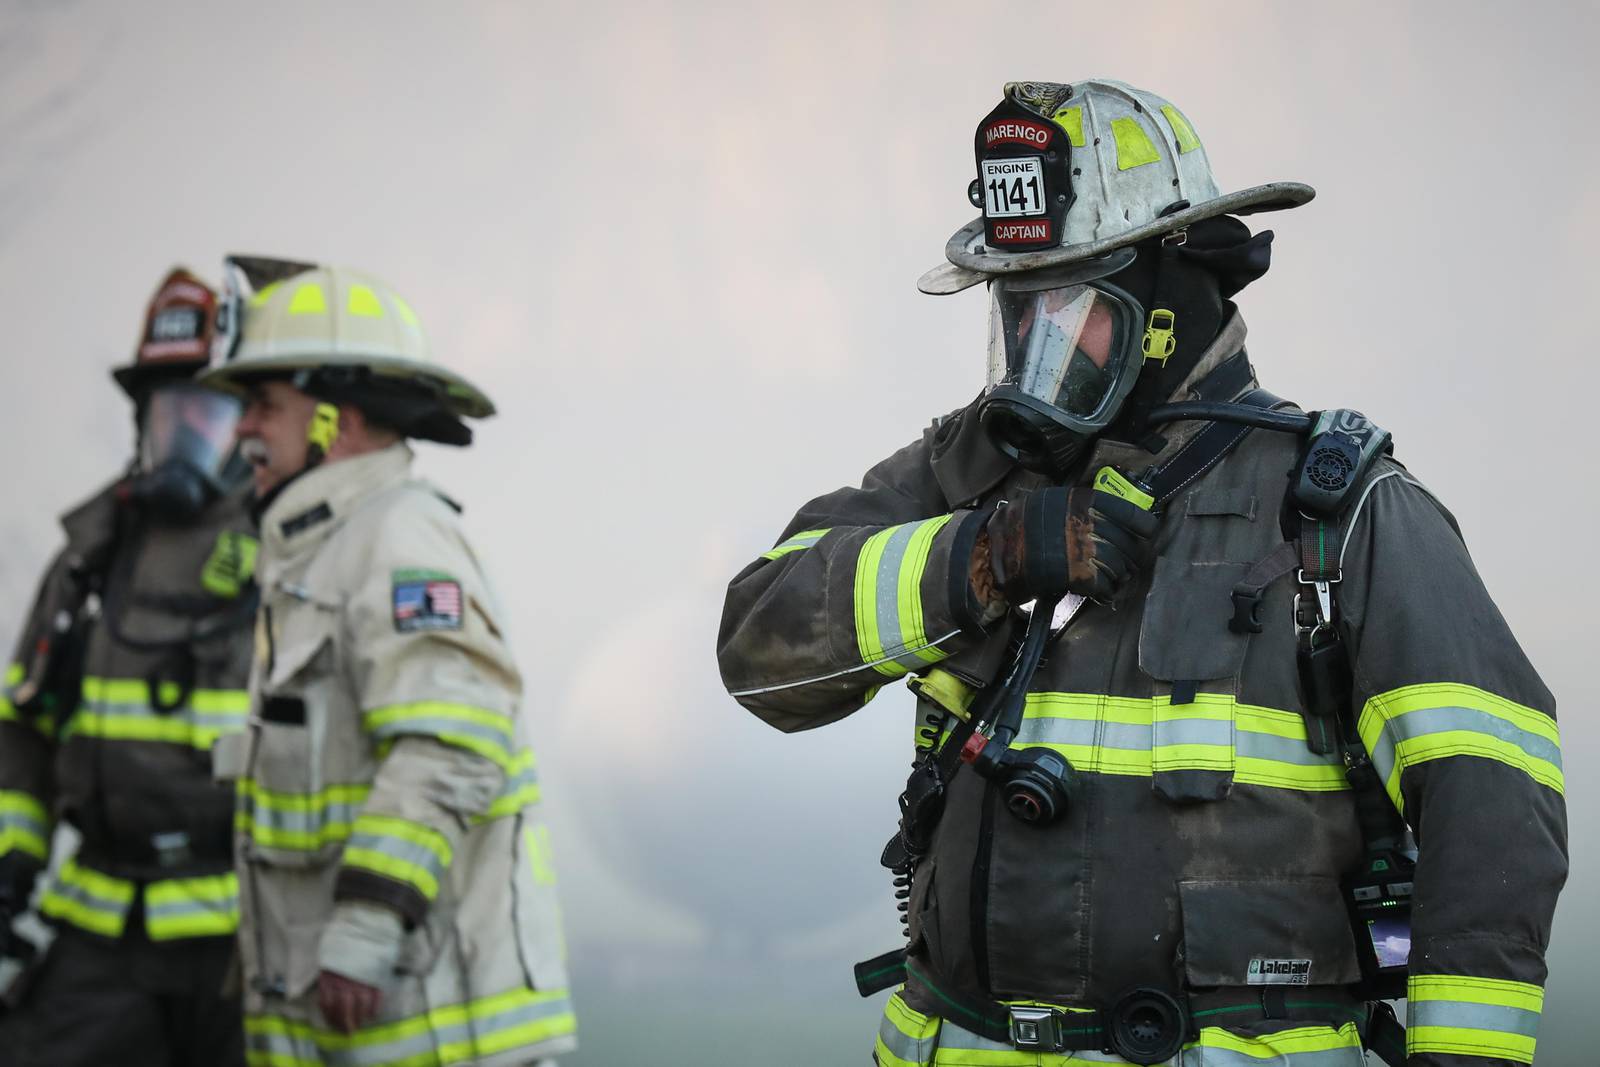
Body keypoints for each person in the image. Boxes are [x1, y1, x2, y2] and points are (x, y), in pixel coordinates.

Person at [717, 79, 1567, 1066]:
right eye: (1016, 310)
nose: (1033, 347)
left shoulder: (1339, 511)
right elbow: (759, 650)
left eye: (1068, 307)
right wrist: (981, 557)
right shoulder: (967, 474)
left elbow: (1494, 808)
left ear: (1169, 300)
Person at [198, 257, 575, 1066]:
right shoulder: (320, 552)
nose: (240, 431)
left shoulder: (398, 538)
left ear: (336, 420)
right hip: (353, 1030)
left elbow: (452, 742)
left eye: (264, 405)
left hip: (431, 1028)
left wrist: (365, 927)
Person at [0, 268, 256, 1066]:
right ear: (143, 416)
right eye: (170, 410)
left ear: (245, 422)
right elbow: (23, 728)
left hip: (242, 934)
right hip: (105, 921)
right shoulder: (91, 555)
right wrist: (10, 864)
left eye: (208, 410)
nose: (187, 430)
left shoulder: (287, 550)